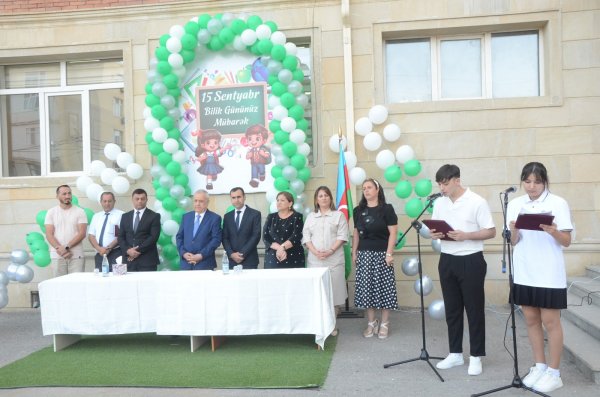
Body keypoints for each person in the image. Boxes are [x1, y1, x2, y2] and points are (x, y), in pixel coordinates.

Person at [507, 162, 572, 393]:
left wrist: (554, 230)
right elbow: (514, 242)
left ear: (545, 182)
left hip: (549, 273)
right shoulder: (515, 204)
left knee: (551, 322)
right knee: (532, 320)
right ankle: (540, 366)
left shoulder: (558, 203)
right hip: (525, 271)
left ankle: (554, 373)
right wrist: (514, 230)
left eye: (536, 181)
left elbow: (566, 241)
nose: (531, 186)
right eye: (527, 181)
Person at [429, 164, 496, 376]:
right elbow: (437, 226)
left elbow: (491, 231)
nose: (442, 188)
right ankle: (455, 353)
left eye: (445, 183)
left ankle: (476, 356)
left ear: (457, 180)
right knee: (452, 309)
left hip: (471, 259)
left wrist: (466, 235)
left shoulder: (477, 201)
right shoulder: (439, 202)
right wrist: (436, 234)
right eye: (439, 184)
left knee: (474, 309)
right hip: (447, 259)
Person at [352, 178, 398, 339]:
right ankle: (371, 323)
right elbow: (356, 233)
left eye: (369, 187)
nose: (366, 190)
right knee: (367, 290)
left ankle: (384, 323)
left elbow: (393, 232)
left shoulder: (387, 209)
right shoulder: (358, 210)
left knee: (385, 289)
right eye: (364, 188)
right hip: (364, 254)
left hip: (382, 255)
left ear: (377, 190)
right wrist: (354, 251)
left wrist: (389, 253)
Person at [302, 186, 349, 335]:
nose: (323, 198)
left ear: (330, 198)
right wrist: (315, 252)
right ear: (316, 199)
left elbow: (342, 236)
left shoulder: (338, 216)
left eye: (326, 195)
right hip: (315, 262)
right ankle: (319, 325)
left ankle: (332, 326)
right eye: (320, 196)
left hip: (334, 261)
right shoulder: (310, 217)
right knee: (318, 294)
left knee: (334, 294)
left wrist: (330, 251)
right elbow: (306, 237)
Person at [44, 185, 88, 277]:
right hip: (57, 256)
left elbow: (82, 233)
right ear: (57, 196)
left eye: (69, 193)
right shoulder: (51, 212)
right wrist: (60, 249)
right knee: (58, 286)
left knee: (77, 285)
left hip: (76, 256)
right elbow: (49, 234)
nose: (67, 196)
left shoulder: (80, 211)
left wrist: (67, 247)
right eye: (64, 194)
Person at [176, 190, 222, 270]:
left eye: (201, 201)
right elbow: (179, 237)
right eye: (195, 201)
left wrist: (201, 255)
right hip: (186, 264)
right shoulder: (186, 217)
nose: (197, 204)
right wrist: (183, 253)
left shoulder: (215, 218)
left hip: (205, 264)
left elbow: (216, 240)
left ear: (207, 202)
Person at [118, 188, 161, 272]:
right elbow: (120, 237)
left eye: (142, 199)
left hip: (147, 260)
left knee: (148, 285)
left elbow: (153, 237)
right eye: (137, 199)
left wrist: (135, 251)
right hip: (128, 260)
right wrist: (128, 251)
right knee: (129, 285)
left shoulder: (154, 216)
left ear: (147, 200)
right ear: (132, 200)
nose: (140, 201)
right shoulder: (125, 216)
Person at [222, 187, 261, 269]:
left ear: (244, 197)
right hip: (231, 261)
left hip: (249, 260)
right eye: (233, 198)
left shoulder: (255, 214)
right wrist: (231, 254)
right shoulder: (227, 216)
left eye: (239, 197)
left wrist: (242, 254)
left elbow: (255, 236)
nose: (236, 200)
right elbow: (225, 238)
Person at [263, 191, 305, 269]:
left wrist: (282, 248)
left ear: (290, 203)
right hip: (273, 257)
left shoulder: (297, 217)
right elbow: (266, 237)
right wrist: (280, 249)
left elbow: (296, 236)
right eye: (278, 200)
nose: (279, 203)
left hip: (293, 256)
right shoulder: (271, 217)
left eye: (282, 200)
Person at [88, 192, 123, 271]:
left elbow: (121, 235)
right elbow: (91, 236)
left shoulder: (121, 215)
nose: (107, 204)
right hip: (99, 254)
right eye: (104, 201)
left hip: (116, 254)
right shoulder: (96, 216)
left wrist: (108, 248)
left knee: (116, 278)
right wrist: (99, 249)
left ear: (114, 201)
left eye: (109, 201)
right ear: (101, 202)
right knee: (100, 279)